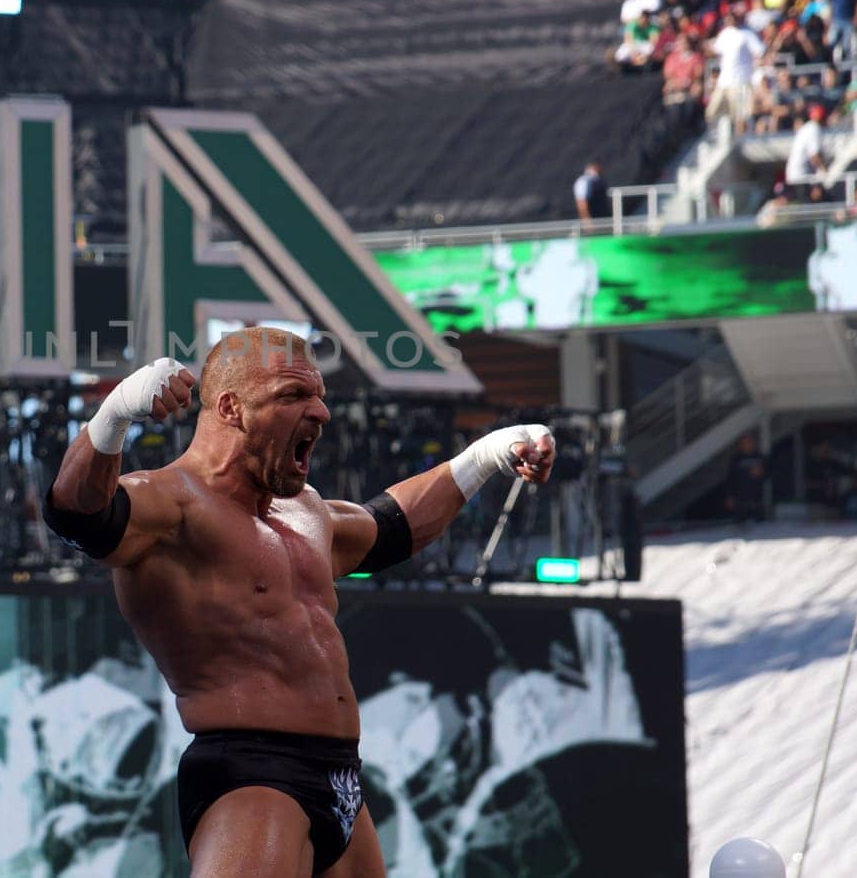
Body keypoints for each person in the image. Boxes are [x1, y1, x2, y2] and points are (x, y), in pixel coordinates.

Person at [45, 329, 554, 874]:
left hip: (340, 778)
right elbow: (77, 517)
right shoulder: (172, 503)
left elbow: (391, 528)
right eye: (293, 396)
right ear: (231, 408)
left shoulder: (306, 512)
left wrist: (488, 454)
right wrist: (115, 414)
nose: (320, 413)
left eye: (319, 397)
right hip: (253, 775)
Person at [725, 433, 768, 528]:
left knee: (761, 527)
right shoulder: (736, 459)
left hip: (756, 497)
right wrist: (729, 496)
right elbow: (730, 478)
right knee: (739, 526)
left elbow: (769, 473)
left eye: (750, 442)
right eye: (745, 442)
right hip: (740, 499)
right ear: (741, 444)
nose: (748, 444)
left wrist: (762, 472)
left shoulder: (759, 457)